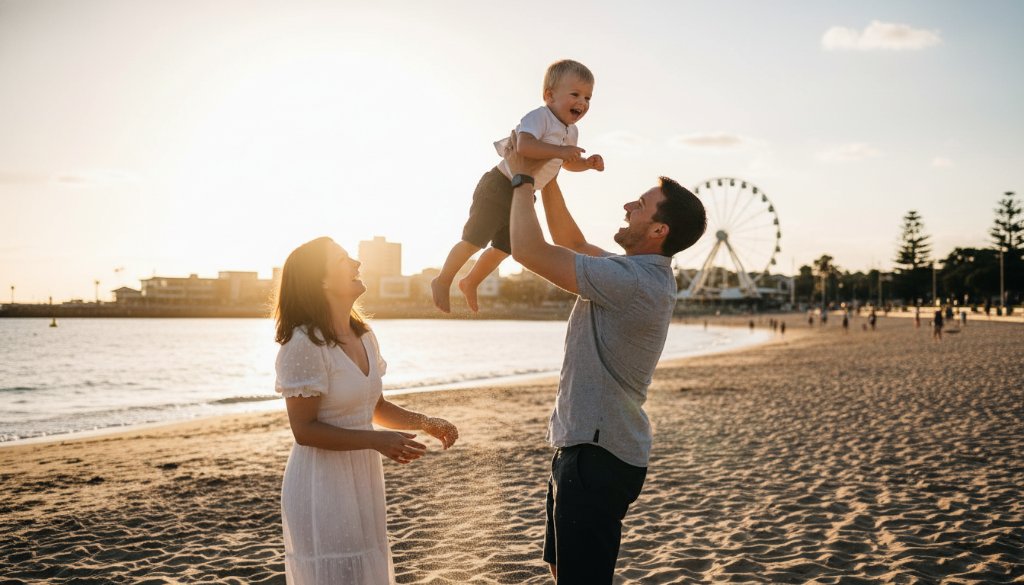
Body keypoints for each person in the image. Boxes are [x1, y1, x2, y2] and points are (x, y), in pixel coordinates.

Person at [502, 131, 707, 584]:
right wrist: (547, 173)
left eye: (640, 204)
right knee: (564, 570)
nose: (627, 207)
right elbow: (569, 239)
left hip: (598, 456)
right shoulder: (631, 273)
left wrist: (520, 177)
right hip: (583, 446)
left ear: (659, 230)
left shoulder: (633, 282)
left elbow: (529, 250)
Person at [274, 237, 459, 585]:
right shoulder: (303, 344)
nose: (357, 264)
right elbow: (304, 429)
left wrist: (427, 423)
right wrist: (376, 442)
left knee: (366, 571)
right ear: (322, 281)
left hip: (362, 475)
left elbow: (375, 406)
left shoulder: (365, 336)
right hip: (321, 481)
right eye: (345, 260)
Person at [431, 59, 604, 313]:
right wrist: (560, 150)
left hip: (524, 193)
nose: (582, 102)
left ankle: (471, 281)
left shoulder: (572, 131)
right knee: (475, 239)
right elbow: (524, 146)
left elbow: (566, 163)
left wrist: (586, 164)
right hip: (499, 185)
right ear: (549, 96)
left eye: (588, 97)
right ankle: (443, 278)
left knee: (506, 247)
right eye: (575, 94)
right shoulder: (539, 117)